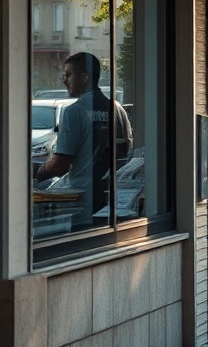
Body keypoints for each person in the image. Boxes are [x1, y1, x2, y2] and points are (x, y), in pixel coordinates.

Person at [33, 52, 133, 228]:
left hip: (81, 200)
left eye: (68, 74)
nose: (64, 80)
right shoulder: (118, 110)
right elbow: (126, 151)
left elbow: (60, 165)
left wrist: (37, 171)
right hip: (113, 198)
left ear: (84, 77)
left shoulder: (74, 111)